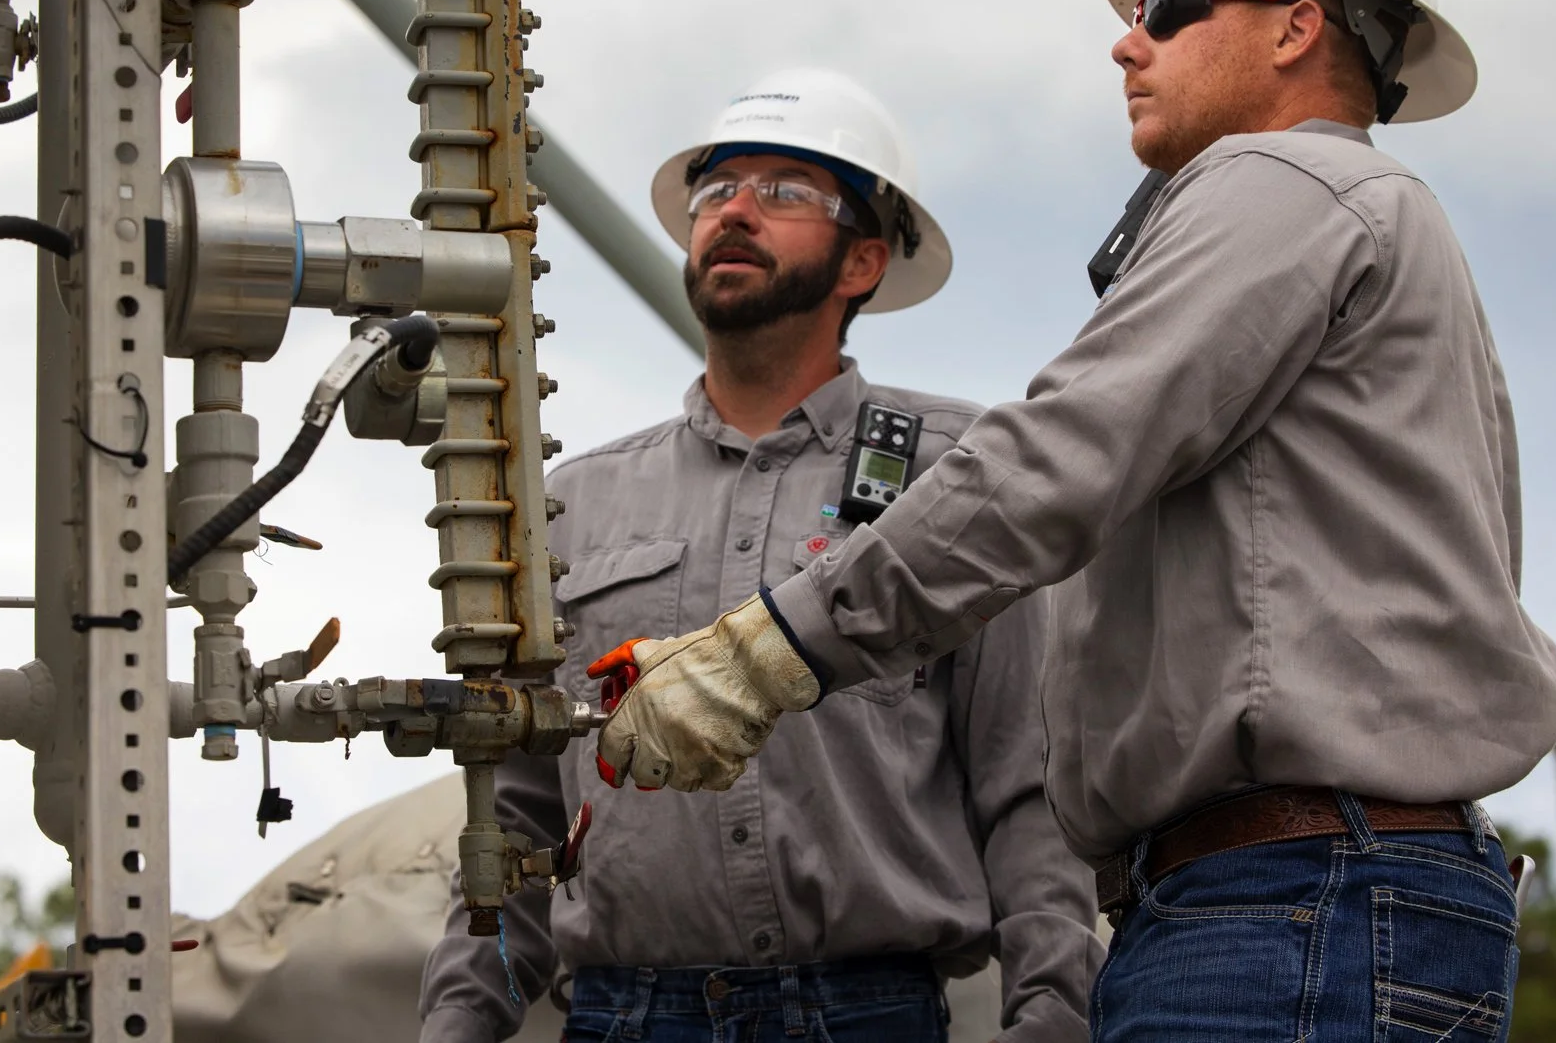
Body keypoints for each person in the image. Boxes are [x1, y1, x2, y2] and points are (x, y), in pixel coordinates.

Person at [592, 0, 1556, 1041]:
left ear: (1296, 28)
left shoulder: (1282, 179)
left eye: (1169, 6)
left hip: (1289, 904)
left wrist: (769, 648)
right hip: (1333, 895)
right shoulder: (1374, 223)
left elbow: (1059, 457)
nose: (1125, 44)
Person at [420, 68, 1105, 1043]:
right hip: (620, 1012)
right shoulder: (573, 504)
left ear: (863, 261)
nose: (734, 210)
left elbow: (1025, 785)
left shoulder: (953, 477)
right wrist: (457, 1022)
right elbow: (519, 821)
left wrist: (1053, 1014)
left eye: (784, 191)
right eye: (716, 191)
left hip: (866, 1010)